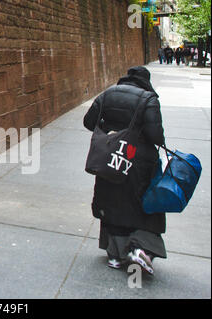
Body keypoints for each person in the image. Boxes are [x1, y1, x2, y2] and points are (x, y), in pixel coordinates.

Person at [83, 66, 167, 275]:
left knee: (111, 201)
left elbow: (88, 122)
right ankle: (139, 248)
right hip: (138, 161)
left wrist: (111, 130)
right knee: (142, 204)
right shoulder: (148, 99)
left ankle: (114, 254)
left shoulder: (108, 94)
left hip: (109, 157)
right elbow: (155, 135)